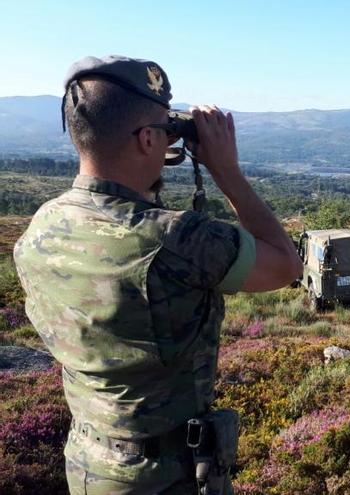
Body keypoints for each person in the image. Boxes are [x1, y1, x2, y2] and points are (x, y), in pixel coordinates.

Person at [13, 55, 302, 494]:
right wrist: (227, 171)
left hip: (88, 462)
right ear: (148, 140)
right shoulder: (176, 238)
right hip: (166, 476)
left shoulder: (43, 226)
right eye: (167, 132)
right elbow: (285, 264)